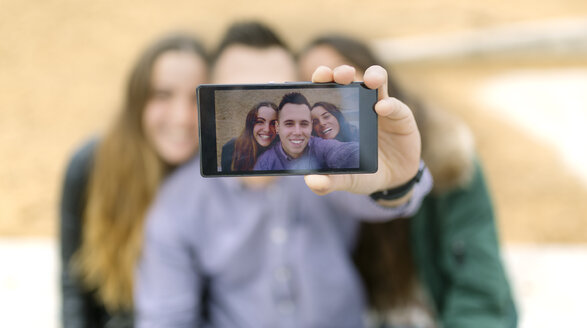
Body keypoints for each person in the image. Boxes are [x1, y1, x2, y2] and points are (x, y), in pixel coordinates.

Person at [134, 21, 433, 328]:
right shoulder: (178, 202)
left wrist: (397, 180)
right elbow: (165, 319)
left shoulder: (325, 162)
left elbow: (392, 198)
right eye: (244, 99)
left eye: (275, 95)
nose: (267, 118)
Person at [299, 34, 517, 328]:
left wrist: (399, 185)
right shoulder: (313, 179)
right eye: (307, 87)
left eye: (344, 81)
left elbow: (482, 291)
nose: (327, 98)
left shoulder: (450, 161)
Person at [59, 32, 208, 328]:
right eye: (163, 95)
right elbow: (75, 285)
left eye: (196, 99)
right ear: (136, 101)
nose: (182, 117)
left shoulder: (226, 176)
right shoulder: (90, 165)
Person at [253, 92, 359, 170]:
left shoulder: (321, 147)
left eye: (304, 124)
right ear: (277, 127)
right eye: (289, 124)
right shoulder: (265, 162)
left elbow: (345, 152)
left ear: (311, 127)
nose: (298, 132)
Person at [220, 102, 278, 172]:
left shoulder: (283, 148)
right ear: (250, 124)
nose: (267, 129)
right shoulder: (232, 147)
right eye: (260, 122)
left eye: (273, 123)